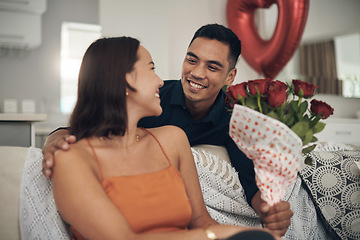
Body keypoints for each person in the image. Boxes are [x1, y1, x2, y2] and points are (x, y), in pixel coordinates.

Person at [43, 24, 293, 237]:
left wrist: (270, 210)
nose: (196, 73)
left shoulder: (210, 126)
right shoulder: (155, 100)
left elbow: (249, 182)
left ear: (230, 77)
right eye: (191, 60)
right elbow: (87, 126)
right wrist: (56, 139)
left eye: (212, 67)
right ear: (124, 83)